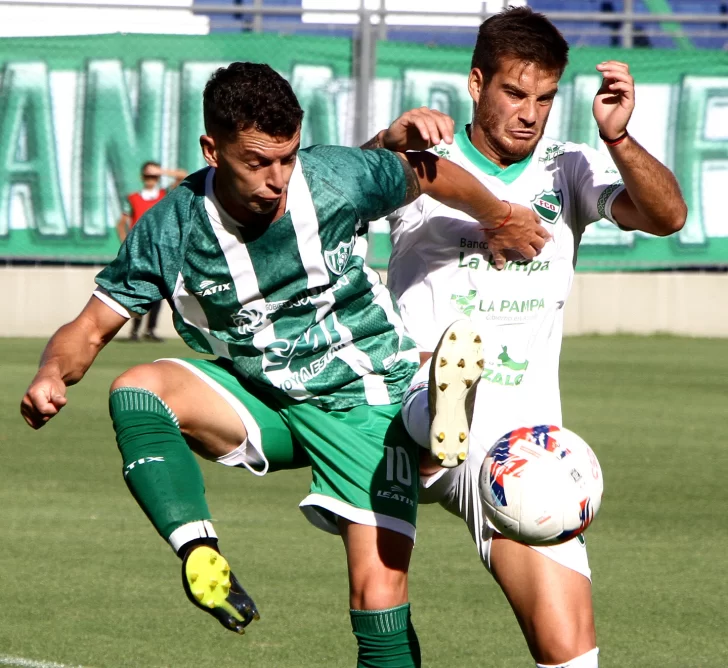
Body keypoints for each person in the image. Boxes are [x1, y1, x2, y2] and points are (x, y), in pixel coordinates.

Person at [20, 62, 546, 667]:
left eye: (288, 158)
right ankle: (197, 549)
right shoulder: (171, 228)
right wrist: (51, 374)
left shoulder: (333, 177)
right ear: (212, 149)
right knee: (139, 388)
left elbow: (425, 174)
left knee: (377, 597)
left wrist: (500, 217)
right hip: (262, 398)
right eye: (257, 162)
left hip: (362, 394)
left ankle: (430, 409)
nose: (276, 179)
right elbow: (88, 329)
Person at [375, 7, 687, 668]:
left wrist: (620, 140)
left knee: (571, 652)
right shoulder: (422, 160)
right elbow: (344, 181)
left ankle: (445, 428)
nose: (530, 112)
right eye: (515, 93)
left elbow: (667, 216)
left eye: (545, 98)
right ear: (476, 82)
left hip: (520, 452)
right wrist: (390, 137)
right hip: (416, 400)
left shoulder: (566, 169)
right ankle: (437, 416)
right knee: (439, 386)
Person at [116, 161, 187, 342]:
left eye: (154, 176)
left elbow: (183, 176)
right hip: (140, 252)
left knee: (158, 292)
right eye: (148, 176)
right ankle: (134, 330)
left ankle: (150, 329)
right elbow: (121, 223)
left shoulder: (164, 194)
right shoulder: (133, 198)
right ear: (142, 178)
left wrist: (163, 171)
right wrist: (127, 245)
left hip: (161, 251)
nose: (151, 179)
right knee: (138, 291)